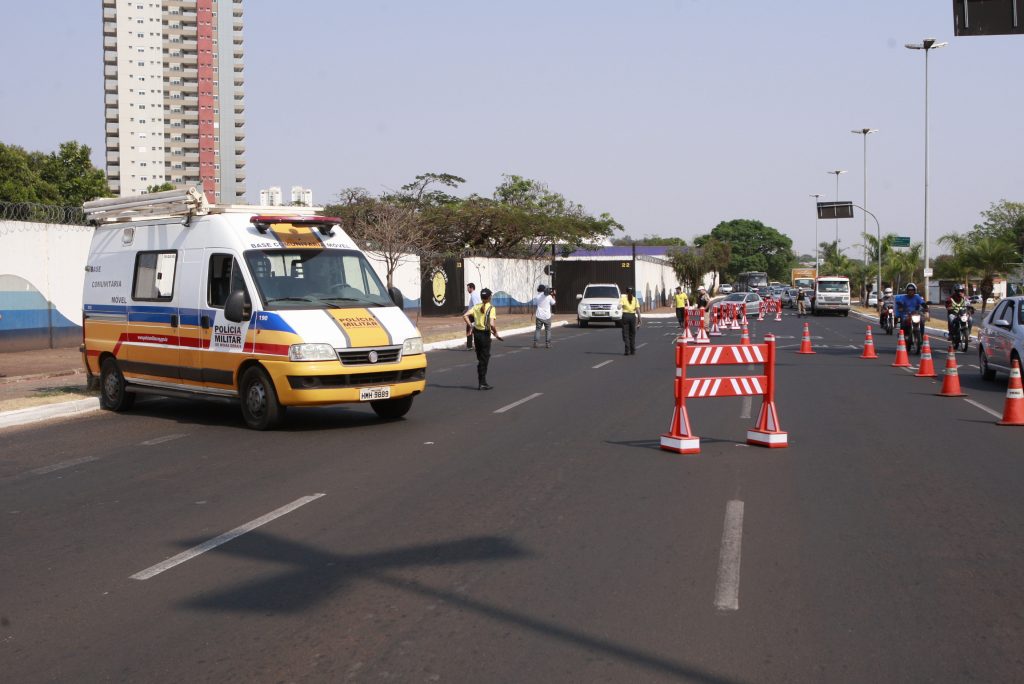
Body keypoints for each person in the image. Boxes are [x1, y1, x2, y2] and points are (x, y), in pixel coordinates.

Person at [462, 287, 503, 390]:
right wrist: (496, 333)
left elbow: (465, 315)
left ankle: (482, 381)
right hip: (485, 335)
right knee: (484, 359)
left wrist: (471, 326)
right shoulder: (491, 308)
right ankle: (482, 382)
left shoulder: (476, 307)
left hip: (476, 334)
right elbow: (492, 324)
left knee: (480, 358)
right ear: (489, 297)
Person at [532, 284, 556, 348]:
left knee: (538, 329)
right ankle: (548, 344)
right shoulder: (549, 296)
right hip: (547, 316)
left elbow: (534, 303)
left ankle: (535, 343)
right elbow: (554, 303)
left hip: (539, 315)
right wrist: (553, 295)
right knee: (548, 330)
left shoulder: (537, 297)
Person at [620, 286, 641, 355]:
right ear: (633, 292)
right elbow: (638, 310)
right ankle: (633, 350)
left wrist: (620, 306)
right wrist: (639, 319)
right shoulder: (635, 299)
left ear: (626, 292)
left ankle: (627, 350)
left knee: (625, 334)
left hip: (625, 316)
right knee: (632, 334)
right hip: (632, 317)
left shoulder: (623, 298)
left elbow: (619, 306)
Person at [464, 282, 481, 350]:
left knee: (469, 329)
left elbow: (475, 306)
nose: (467, 290)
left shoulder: (473, 295)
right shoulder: (475, 294)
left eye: (468, 288)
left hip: (472, 315)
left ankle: (469, 346)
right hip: (474, 315)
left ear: (471, 288)